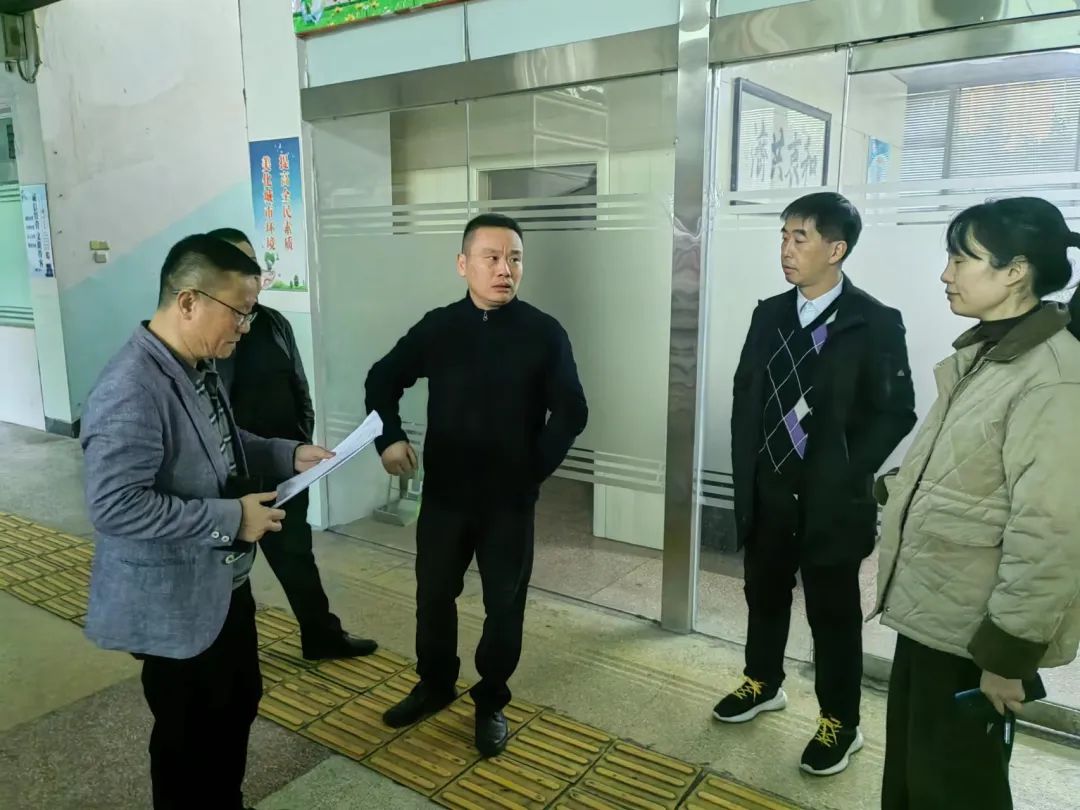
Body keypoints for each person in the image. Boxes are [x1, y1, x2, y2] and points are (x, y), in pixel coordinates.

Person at [81, 234, 335, 810]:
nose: (244, 327)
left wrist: (286, 452)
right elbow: (115, 505)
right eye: (238, 312)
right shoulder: (131, 388)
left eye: (250, 313)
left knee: (236, 704)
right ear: (189, 301)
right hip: (175, 604)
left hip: (220, 587)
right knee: (188, 736)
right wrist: (231, 517)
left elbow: (222, 441)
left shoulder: (194, 365)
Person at [875, 197, 1080, 809]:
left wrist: (1006, 658)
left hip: (976, 634)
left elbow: (1051, 532)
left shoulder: (1051, 376)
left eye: (962, 259)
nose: (946, 274)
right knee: (915, 778)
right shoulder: (992, 352)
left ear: (1015, 271)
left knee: (956, 789)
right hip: (936, 611)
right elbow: (967, 474)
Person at [365, 213, 588, 757]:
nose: (504, 269)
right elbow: (382, 378)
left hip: (509, 504)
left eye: (515, 258)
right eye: (491, 257)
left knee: (504, 606)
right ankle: (434, 684)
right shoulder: (440, 327)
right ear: (463, 264)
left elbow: (571, 411)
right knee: (433, 596)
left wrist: (532, 470)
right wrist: (389, 438)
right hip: (445, 496)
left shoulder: (543, 332)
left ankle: (491, 701)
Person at [712, 192, 917, 777]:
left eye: (799, 238)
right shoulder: (769, 314)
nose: (786, 249)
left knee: (832, 614)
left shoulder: (874, 321)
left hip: (831, 499)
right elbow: (747, 393)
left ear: (836, 249)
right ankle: (762, 682)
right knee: (764, 594)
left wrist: (848, 469)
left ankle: (840, 722)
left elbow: (896, 411)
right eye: (783, 237)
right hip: (769, 489)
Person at [210, 227, 377, 661]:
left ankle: (321, 636)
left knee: (297, 555)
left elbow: (298, 383)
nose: (247, 275)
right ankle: (224, 650)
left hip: (285, 462)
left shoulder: (273, 323)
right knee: (228, 565)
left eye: (251, 265)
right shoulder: (210, 334)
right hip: (234, 473)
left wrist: (299, 440)